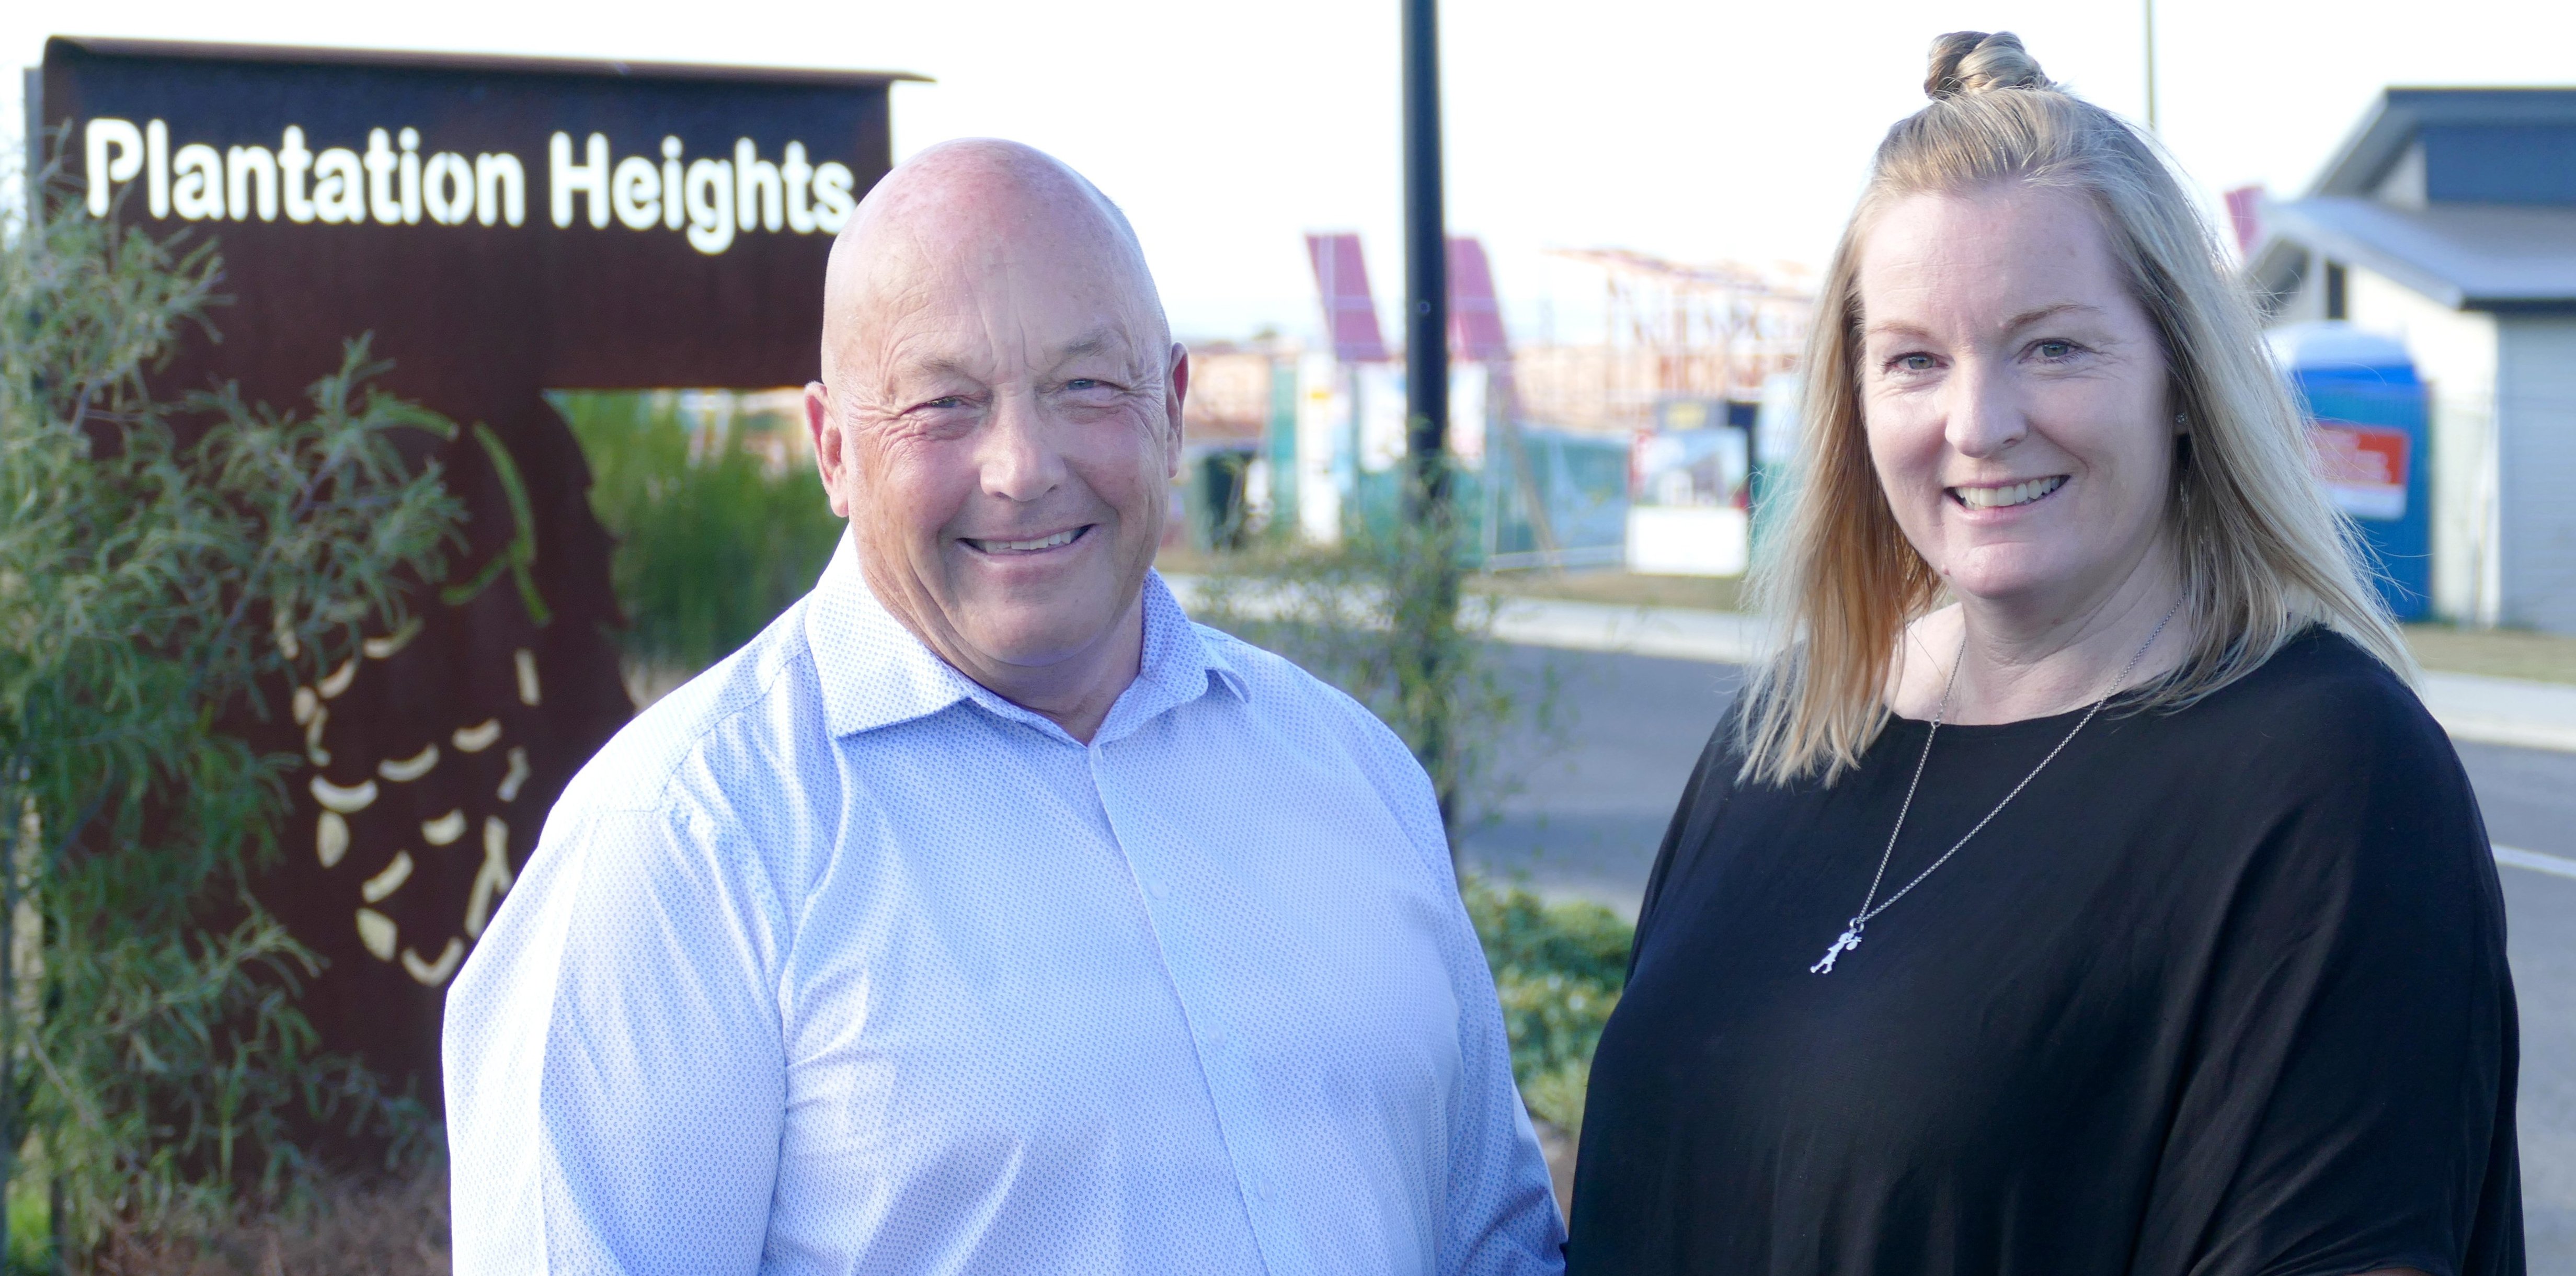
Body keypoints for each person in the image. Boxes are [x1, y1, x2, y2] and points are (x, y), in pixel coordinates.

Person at [443, 139, 1564, 1275]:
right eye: (944, 404)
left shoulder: (1352, 774)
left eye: (1086, 385)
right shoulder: (686, 844)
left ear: (1171, 408)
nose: (1023, 465)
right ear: (834, 449)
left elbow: (1494, 1241)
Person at [1567, 32, 2521, 1276]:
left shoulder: (2325, 774)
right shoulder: (1780, 734)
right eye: (1914, 358)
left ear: (2182, 377)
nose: (1978, 421)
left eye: (2053, 345)